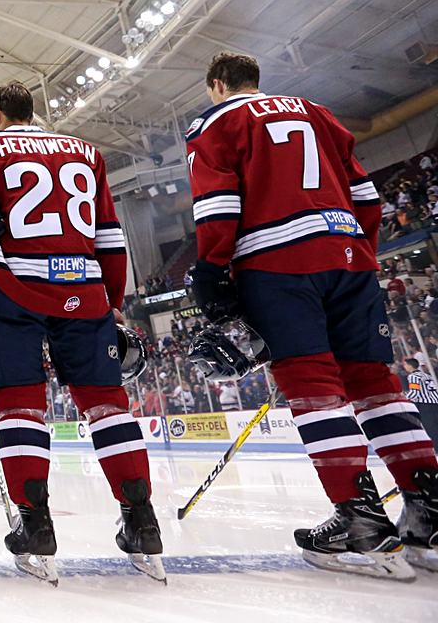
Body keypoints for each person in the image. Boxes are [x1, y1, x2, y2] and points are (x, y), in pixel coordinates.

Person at [186, 52, 437, 578]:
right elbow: (367, 197)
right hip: (348, 254)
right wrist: (357, 254)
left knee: (313, 387)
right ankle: (430, 513)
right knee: (375, 384)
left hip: (278, 261)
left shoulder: (216, 121)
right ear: (257, 81)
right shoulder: (317, 112)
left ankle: (361, 521)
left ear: (216, 85)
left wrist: (210, 270)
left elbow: (217, 205)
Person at [0, 82, 161, 585]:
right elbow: (110, 236)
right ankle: (142, 522)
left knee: (19, 404)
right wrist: (114, 301)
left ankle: (35, 526)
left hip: (13, 289)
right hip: (84, 288)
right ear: (33, 113)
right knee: (106, 402)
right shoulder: (84, 151)